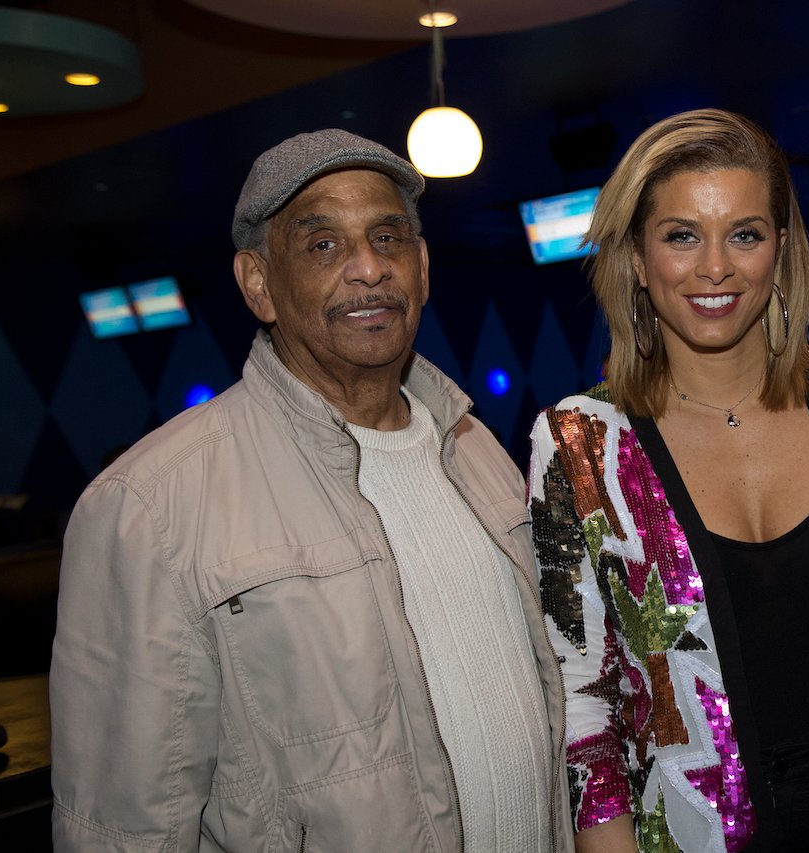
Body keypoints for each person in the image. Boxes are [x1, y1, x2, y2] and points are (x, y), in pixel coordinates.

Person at [50, 129, 571, 851]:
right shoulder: (149, 506)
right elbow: (124, 827)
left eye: (387, 237)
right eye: (322, 245)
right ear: (258, 283)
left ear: (420, 267)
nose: (367, 269)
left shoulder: (475, 448)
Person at [527, 108, 809, 852]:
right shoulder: (580, 443)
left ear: (781, 248)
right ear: (639, 259)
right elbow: (584, 710)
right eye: (681, 235)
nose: (715, 267)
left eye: (744, 233)